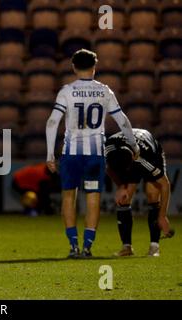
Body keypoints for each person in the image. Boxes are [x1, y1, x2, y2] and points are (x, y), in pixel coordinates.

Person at [46, 49, 139, 258]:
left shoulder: (66, 91)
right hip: (95, 154)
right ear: (94, 67)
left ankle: (73, 246)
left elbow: (52, 122)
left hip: (71, 153)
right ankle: (88, 247)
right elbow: (122, 120)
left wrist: (49, 155)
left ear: (73, 67)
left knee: (69, 196)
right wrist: (133, 145)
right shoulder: (104, 91)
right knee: (93, 197)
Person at [105, 128, 175, 257]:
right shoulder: (109, 149)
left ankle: (154, 247)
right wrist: (121, 186)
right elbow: (109, 169)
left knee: (152, 195)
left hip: (150, 151)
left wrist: (162, 215)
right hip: (127, 150)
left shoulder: (145, 158)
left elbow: (165, 185)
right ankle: (127, 247)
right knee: (123, 200)